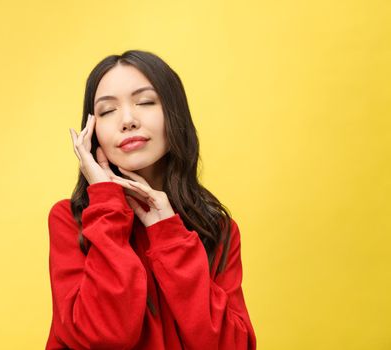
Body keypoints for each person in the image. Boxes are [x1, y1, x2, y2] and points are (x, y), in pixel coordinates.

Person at [46, 50, 257, 350]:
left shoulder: (216, 229)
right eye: (107, 111)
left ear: (175, 116)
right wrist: (106, 206)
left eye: (145, 102)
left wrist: (169, 236)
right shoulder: (70, 221)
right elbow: (105, 338)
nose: (128, 120)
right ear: (91, 134)